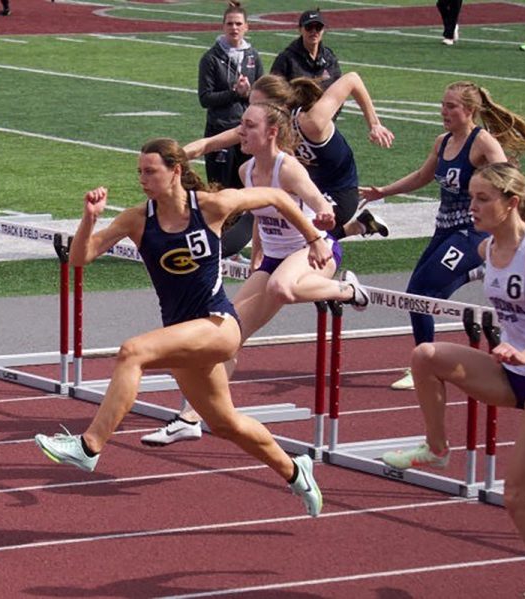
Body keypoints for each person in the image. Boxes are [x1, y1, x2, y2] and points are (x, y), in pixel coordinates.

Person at [34, 138, 327, 517]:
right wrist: (90, 217)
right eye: (139, 172)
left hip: (219, 325)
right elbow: (80, 259)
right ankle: (295, 470)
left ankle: (89, 447)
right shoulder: (137, 219)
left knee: (132, 351)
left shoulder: (212, 207)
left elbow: (278, 197)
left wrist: (315, 238)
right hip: (184, 336)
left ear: (175, 171)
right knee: (227, 424)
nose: (143, 179)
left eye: (150, 171)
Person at [381, 162, 525, 599]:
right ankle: (438, 449)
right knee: (426, 356)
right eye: (470, 198)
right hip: (510, 373)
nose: (471, 207)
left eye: (482, 199)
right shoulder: (484, 250)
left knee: (516, 498)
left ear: (511, 203)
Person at [140, 98, 372, 447]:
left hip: (314, 250)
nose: (241, 131)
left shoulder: (288, 168)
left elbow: (320, 203)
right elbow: (260, 218)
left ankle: (349, 290)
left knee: (281, 288)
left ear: (272, 132)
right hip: (274, 259)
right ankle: (191, 417)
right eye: (242, 125)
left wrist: (324, 216)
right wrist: (257, 255)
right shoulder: (246, 170)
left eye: (249, 126)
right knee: (229, 335)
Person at [359, 81, 525, 390]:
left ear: (469, 111)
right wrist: (383, 191)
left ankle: (422, 365)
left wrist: (522, 227)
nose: (443, 111)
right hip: (444, 228)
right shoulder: (442, 142)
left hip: (471, 232)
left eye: (451, 106)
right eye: (443, 105)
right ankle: (475, 272)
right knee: (421, 298)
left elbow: (509, 183)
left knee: (419, 293)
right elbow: (422, 176)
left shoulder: (482, 142)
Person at [185, 72, 395, 243]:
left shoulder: (311, 122)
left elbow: (352, 79)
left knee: (297, 234)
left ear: (279, 106)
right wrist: (171, 157)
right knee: (266, 214)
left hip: (338, 194)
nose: (251, 111)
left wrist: (374, 123)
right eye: (249, 104)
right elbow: (209, 144)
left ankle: (342, 284)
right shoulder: (263, 127)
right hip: (304, 188)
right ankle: (358, 227)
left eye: (257, 106)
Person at [198, 1, 264, 191]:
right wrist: (235, 93)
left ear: (246, 27)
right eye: (230, 23)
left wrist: (248, 93)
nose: (234, 28)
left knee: (246, 188)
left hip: (247, 132)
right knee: (221, 189)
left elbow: (262, 96)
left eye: (238, 24)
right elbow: (205, 98)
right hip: (220, 129)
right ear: (223, 26)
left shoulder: (253, 56)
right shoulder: (211, 58)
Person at [271, 9, 341, 93]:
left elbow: (338, 88)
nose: (314, 31)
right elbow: (274, 91)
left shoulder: (329, 58)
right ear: (300, 29)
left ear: (323, 30)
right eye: (309, 27)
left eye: (318, 28)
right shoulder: (286, 59)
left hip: (325, 105)